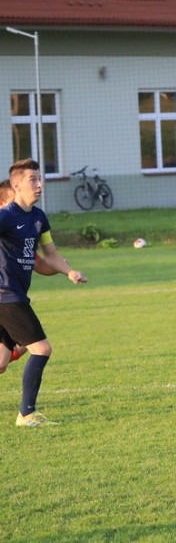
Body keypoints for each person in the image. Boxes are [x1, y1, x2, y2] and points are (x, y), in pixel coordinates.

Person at [0, 159, 88, 427]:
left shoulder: (39, 218)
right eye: (33, 180)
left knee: (1, 361)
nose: (39, 184)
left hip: (14, 294)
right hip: (6, 295)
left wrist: (68, 272)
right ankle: (26, 414)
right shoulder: (6, 216)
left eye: (40, 178)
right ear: (16, 185)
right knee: (42, 348)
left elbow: (50, 255)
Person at [0, 179, 57, 375]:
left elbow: (38, 263)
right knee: (39, 345)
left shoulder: (18, 235)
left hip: (12, 299)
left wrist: (61, 267)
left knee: (2, 362)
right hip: (7, 299)